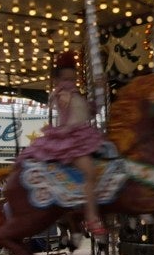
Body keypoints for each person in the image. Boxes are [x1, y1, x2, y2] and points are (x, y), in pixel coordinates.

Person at [18, 52, 108, 239]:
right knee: (90, 172)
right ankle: (91, 217)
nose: (70, 81)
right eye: (66, 78)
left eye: (72, 77)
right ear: (58, 78)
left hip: (81, 137)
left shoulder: (74, 94)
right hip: (72, 141)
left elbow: (92, 111)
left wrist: (100, 90)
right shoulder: (63, 94)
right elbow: (71, 117)